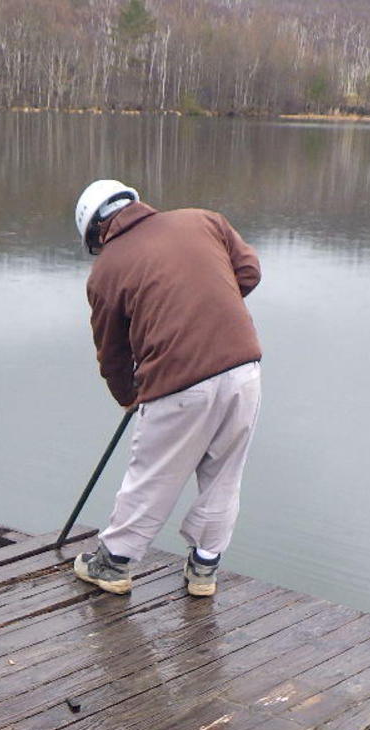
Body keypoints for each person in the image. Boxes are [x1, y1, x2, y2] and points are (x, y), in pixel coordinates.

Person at [70, 179, 263, 599]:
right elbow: (248, 272)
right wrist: (207, 307)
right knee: (224, 475)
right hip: (243, 370)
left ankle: (115, 563)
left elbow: (113, 353)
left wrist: (128, 394)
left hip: (178, 382)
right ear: (134, 203)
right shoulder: (203, 220)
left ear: (97, 232)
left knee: (152, 474)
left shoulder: (106, 270)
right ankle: (204, 571)